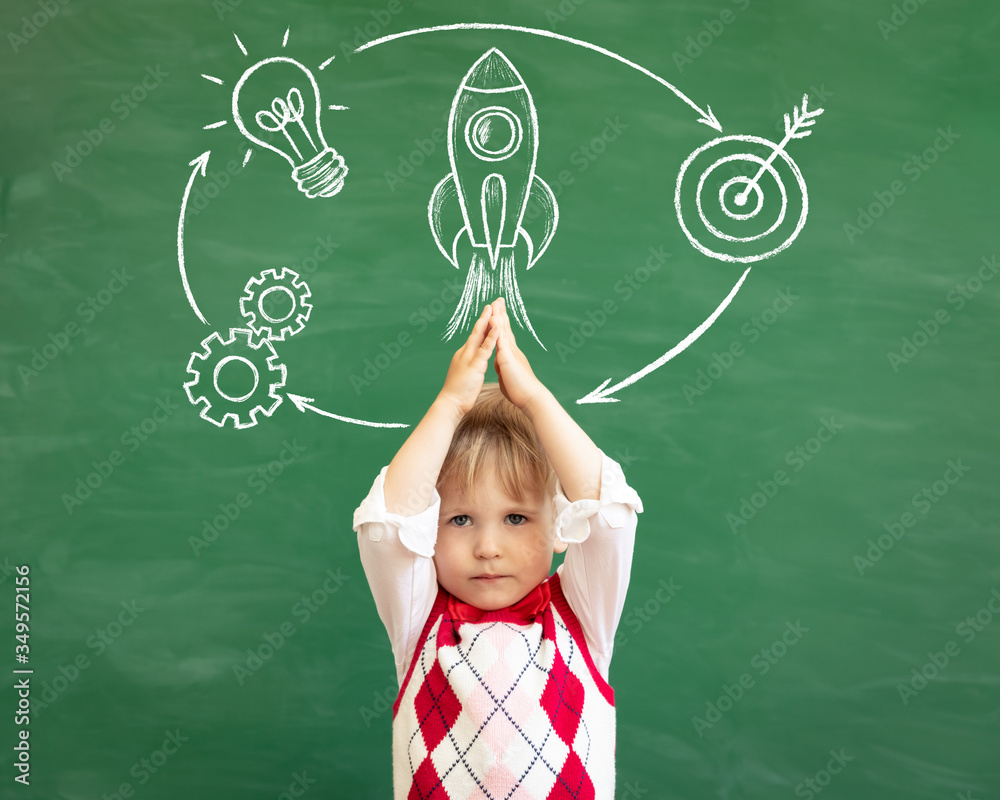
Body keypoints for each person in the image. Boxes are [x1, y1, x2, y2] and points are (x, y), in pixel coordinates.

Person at [352, 297, 643, 798]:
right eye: (460, 519)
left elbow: (608, 514)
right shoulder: (418, 618)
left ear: (559, 523)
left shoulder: (583, 615)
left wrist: (533, 397)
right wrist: (448, 406)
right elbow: (387, 526)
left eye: (516, 517)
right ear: (429, 531)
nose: (488, 547)